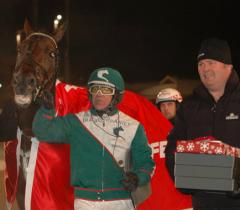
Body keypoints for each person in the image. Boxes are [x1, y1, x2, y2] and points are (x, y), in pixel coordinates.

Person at [33, 67, 155, 210]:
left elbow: (146, 163)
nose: (99, 94)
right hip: (85, 202)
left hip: (121, 201)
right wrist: (47, 109)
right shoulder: (76, 122)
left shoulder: (133, 127)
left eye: (106, 90)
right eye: (95, 89)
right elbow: (43, 131)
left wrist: (138, 178)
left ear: (116, 95)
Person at [165, 37, 240, 209]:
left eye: (211, 62)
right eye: (201, 64)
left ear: (227, 66)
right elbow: (172, 147)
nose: (205, 68)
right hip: (203, 203)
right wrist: (181, 178)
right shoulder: (189, 107)